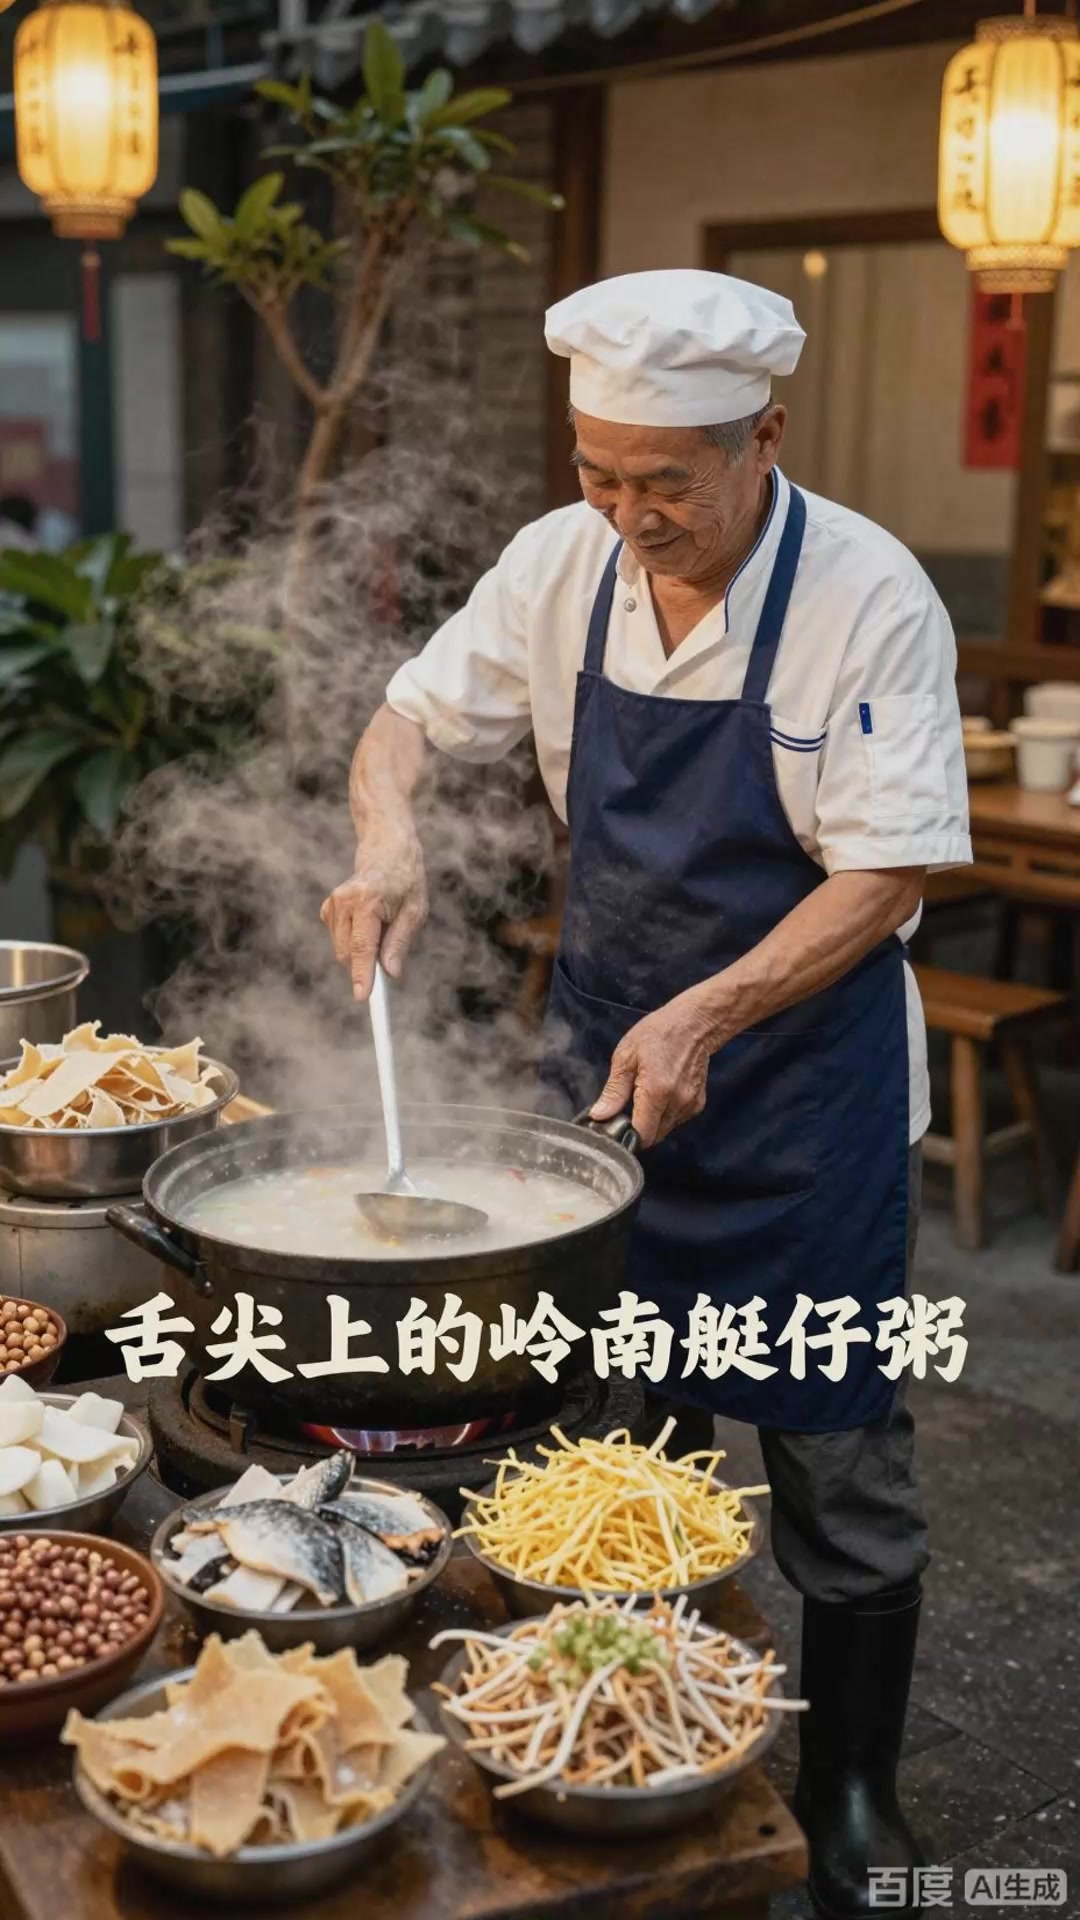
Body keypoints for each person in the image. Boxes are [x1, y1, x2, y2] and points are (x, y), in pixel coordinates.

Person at [322, 269, 971, 1920]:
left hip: (806, 1099)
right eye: (599, 474)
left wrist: (715, 1008)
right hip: (605, 1090)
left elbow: (887, 872)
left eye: (662, 483)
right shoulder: (564, 562)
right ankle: (660, 1740)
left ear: (765, 436)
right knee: (633, 1457)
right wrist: (387, 833)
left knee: (834, 1456)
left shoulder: (867, 593)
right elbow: (403, 721)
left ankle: (847, 1793)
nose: (626, 515)